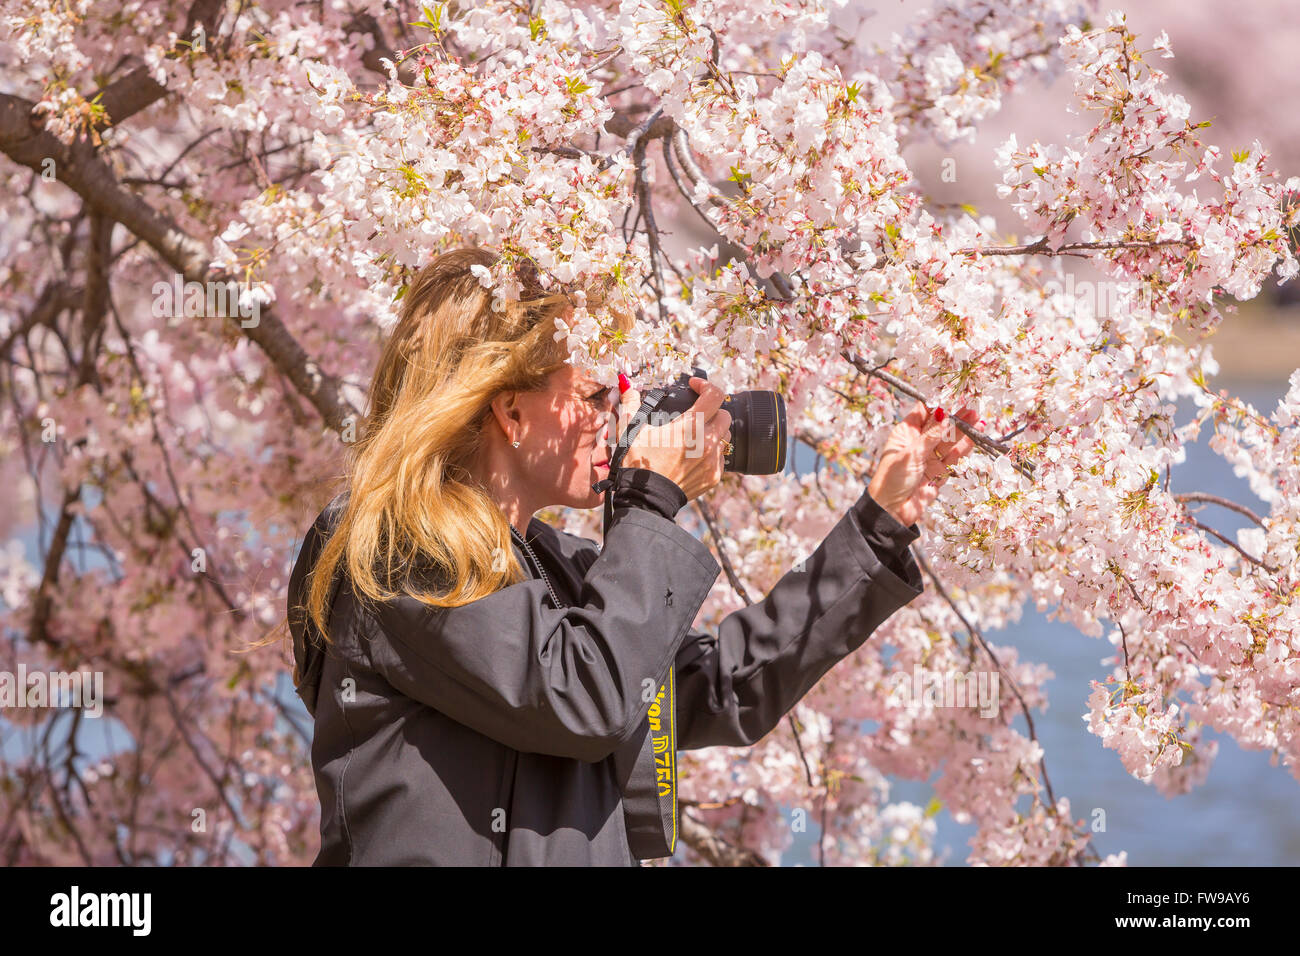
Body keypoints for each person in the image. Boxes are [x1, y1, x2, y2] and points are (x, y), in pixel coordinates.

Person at [286, 247, 978, 865]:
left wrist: (877, 525)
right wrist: (649, 506)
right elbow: (580, 697)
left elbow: (721, 690)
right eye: (593, 395)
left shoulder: (560, 570)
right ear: (510, 411)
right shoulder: (398, 547)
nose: (613, 420)